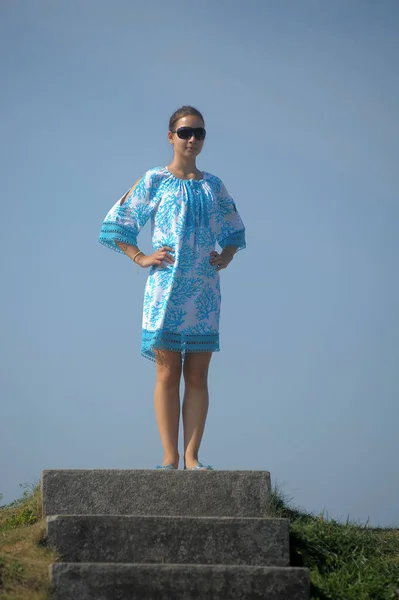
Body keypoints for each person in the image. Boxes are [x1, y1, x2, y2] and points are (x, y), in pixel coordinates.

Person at [99, 106, 246, 471]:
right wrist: (140, 256)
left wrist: (226, 255)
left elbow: (234, 229)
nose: (192, 139)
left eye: (199, 132)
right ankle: (169, 457)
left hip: (204, 291)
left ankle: (193, 458)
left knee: (198, 374)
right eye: (185, 132)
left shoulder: (214, 185)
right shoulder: (154, 179)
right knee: (167, 373)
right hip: (165, 289)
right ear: (171, 137)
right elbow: (118, 221)